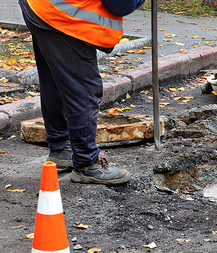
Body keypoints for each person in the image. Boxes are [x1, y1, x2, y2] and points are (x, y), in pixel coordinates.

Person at [19, 0, 144, 184]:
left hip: (39, 6)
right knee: (84, 89)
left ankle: (61, 147)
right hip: (65, 15)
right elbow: (119, 4)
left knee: (54, 81)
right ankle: (87, 163)